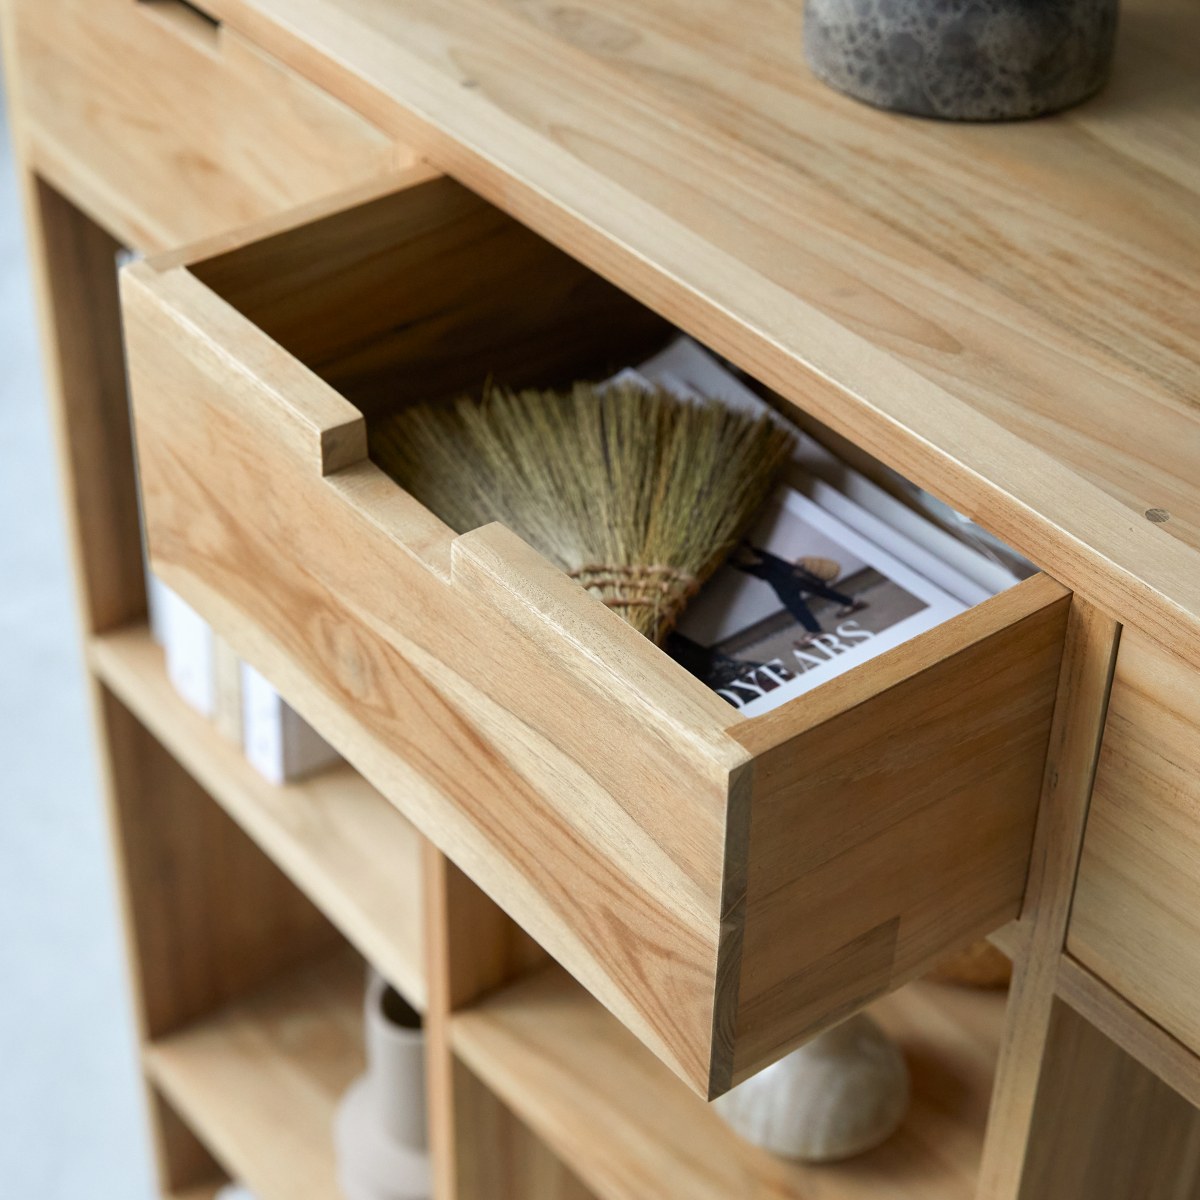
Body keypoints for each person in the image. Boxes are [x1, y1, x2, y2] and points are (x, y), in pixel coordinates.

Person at [734, 544, 865, 643]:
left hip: (778, 578)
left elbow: (757, 565)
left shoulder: (738, 551)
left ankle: (815, 632)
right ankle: (852, 603)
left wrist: (739, 564)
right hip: (789, 570)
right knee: (818, 589)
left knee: (795, 605)